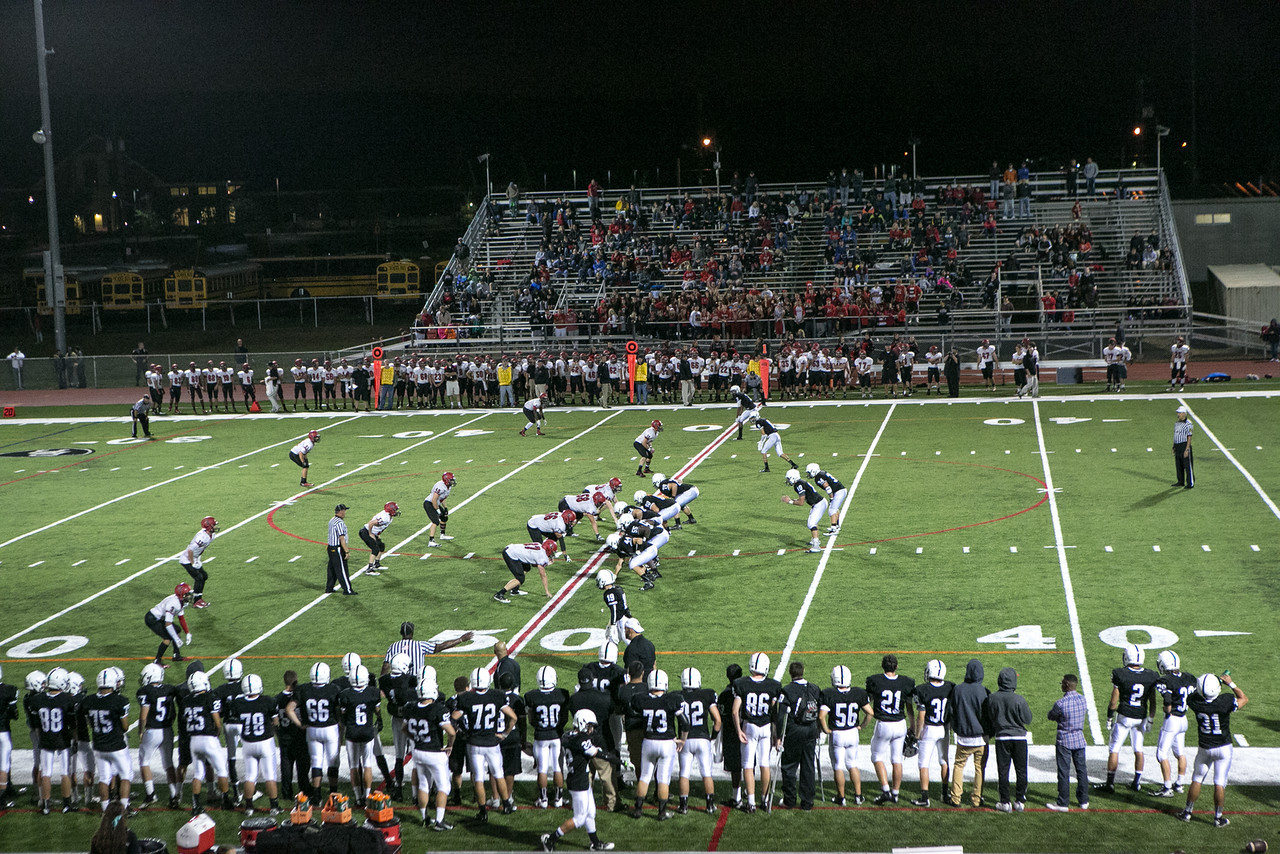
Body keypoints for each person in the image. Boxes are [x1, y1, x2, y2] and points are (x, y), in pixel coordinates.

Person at [539, 709, 617, 852]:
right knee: (580, 818)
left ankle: (595, 843)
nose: (591, 729)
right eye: (589, 726)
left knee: (591, 812)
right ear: (582, 724)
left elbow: (585, 746)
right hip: (578, 781)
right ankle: (550, 839)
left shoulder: (568, 736)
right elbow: (597, 753)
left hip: (579, 777)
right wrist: (616, 760)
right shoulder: (580, 739)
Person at [1179, 671, 1247, 827]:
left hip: (1205, 748)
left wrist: (1211, 686)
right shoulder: (1225, 701)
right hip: (1223, 747)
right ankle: (1217, 818)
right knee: (1219, 782)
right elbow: (1244, 698)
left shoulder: (1194, 702)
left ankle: (1187, 812)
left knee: (1197, 779)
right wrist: (1230, 683)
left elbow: (1197, 693)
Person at [452, 667, 518, 822]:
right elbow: (513, 717)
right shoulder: (497, 696)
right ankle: (507, 804)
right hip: (492, 743)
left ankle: (483, 812)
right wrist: (505, 734)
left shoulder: (466, 698)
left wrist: (464, 730)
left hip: (474, 743)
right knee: (498, 774)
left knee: (479, 778)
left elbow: (454, 718)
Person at [1096, 644, 1158, 793]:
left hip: (1124, 716)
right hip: (1141, 716)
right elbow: (1153, 701)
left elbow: (1113, 701)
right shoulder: (1151, 675)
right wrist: (1150, 719)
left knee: (1114, 749)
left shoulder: (1120, 673)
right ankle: (1137, 782)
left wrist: (1109, 717)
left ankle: (1110, 783)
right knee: (1138, 749)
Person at [400, 667, 456, 831]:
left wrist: (416, 738)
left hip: (418, 751)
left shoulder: (410, 707)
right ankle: (439, 821)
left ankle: (425, 818)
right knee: (443, 787)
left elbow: (404, 728)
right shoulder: (438, 709)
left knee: (423, 785)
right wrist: (450, 744)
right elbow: (451, 731)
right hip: (434, 752)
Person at [731, 652, 781, 813]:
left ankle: (751, 802)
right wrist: (776, 735)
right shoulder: (773, 685)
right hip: (766, 726)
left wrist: (738, 730)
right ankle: (765, 800)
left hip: (749, 726)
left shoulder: (741, 683)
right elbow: (775, 713)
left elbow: (734, 711)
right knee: (764, 764)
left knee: (747, 765)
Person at [285, 662, 342, 799]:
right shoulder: (333, 689)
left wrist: (300, 724)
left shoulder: (304, 689)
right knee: (333, 762)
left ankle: (316, 797)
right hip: (330, 729)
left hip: (312, 730)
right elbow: (340, 710)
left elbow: (289, 709)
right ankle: (333, 795)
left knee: (316, 762)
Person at [228, 672, 281, 816]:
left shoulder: (237, 703)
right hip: (265, 742)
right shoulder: (268, 701)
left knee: (250, 775)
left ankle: (249, 807)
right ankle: (274, 807)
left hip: (248, 743)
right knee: (270, 775)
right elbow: (275, 722)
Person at [80, 668, 133, 812]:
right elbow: (125, 727)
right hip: (116, 746)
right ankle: (123, 807)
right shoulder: (120, 701)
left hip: (98, 745)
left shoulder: (88, 701)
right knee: (125, 775)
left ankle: (105, 810)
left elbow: (89, 723)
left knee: (104, 778)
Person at [180, 670, 232, 815]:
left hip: (194, 740)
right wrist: (217, 733)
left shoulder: (186, 700)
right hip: (208, 739)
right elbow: (217, 723)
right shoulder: (210, 697)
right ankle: (225, 800)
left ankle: (195, 805)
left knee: (198, 773)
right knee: (221, 770)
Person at [982, 667, 1032, 812]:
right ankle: (1020, 800)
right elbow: (1028, 719)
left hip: (1002, 738)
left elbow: (990, 717)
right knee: (1021, 770)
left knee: (1003, 771)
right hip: (1019, 739)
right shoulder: (1019, 699)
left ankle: (1005, 802)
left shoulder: (992, 698)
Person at [819, 665, 870, 806]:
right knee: (852, 764)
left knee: (838, 766)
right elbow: (870, 713)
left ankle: (841, 797)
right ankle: (858, 796)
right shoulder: (858, 693)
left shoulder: (829, 694)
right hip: (853, 733)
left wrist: (826, 730)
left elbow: (821, 716)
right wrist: (862, 725)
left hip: (837, 734)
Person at [676, 667, 720, 814]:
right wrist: (712, 738)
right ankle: (710, 805)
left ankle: (683, 806)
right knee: (706, 772)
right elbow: (717, 721)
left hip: (685, 739)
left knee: (684, 773)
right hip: (702, 739)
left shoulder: (677, 696)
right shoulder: (707, 694)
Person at [778, 661, 821, 810]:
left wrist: (778, 736)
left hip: (794, 731)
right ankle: (807, 801)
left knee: (789, 765)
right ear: (803, 671)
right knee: (808, 765)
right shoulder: (815, 688)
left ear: (791, 673)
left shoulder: (788, 690)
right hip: (811, 730)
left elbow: (781, 715)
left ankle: (790, 799)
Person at [910, 660, 953, 807]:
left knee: (923, 763)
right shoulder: (950, 687)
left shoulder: (922, 689)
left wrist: (917, 734)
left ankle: (924, 797)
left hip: (929, 729)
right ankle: (945, 794)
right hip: (944, 728)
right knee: (944, 760)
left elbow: (921, 715)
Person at [1153, 650, 1197, 797]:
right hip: (1184, 719)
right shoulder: (1190, 678)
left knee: (1161, 754)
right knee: (1180, 753)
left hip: (1172, 720)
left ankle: (1167, 788)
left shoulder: (1165, 681)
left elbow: (1167, 700)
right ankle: (1179, 783)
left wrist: (1167, 709)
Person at [135, 663, 179, 808]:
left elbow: (143, 715)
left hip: (153, 730)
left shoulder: (145, 691)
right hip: (167, 730)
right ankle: (174, 796)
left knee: (144, 761)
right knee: (168, 764)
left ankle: (150, 794)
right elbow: (173, 712)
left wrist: (141, 730)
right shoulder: (169, 689)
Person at [1046, 673, 1090, 812]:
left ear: (1066, 685)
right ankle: (1084, 800)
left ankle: (1063, 802)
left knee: (1064, 772)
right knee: (1081, 771)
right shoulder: (1083, 699)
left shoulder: (1061, 703)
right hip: (1079, 739)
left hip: (1064, 740)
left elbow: (1051, 716)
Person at [948, 659, 988, 807]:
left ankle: (955, 798)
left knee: (959, 765)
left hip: (964, 737)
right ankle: (976, 799)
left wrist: (957, 728)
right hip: (980, 738)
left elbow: (952, 712)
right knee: (979, 768)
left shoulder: (958, 689)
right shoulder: (983, 691)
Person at [145, 584, 193, 667]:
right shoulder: (174, 604)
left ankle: (176, 655)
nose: (189, 596)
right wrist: (176, 639)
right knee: (167, 638)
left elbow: (181, 618)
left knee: (177, 630)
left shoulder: (180, 601)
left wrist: (187, 633)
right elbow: (168, 624)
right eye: (188, 594)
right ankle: (157, 661)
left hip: (159, 618)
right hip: (152, 619)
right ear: (182, 595)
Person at [783, 468, 828, 553]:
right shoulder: (801, 482)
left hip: (819, 504)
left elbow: (801, 502)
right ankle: (815, 540)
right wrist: (792, 500)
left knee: (811, 523)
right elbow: (802, 498)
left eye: (789, 478)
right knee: (812, 523)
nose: (788, 481)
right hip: (819, 503)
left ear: (793, 477)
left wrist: (789, 501)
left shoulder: (798, 485)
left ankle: (816, 545)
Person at [179, 515, 218, 609]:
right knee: (199, 577)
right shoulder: (202, 537)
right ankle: (196, 601)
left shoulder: (211, 535)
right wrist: (193, 563)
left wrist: (198, 559)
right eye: (214, 525)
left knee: (204, 576)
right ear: (209, 526)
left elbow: (201, 549)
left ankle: (198, 597)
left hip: (195, 557)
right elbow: (190, 551)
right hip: (187, 559)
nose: (215, 526)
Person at [359, 502, 399, 576]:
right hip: (366, 532)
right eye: (395, 509)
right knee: (375, 549)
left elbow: (377, 525)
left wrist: (377, 535)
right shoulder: (385, 518)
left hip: (372, 532)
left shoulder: (388, 516)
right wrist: (370, 534)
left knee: (381, 546)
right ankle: (370, 568)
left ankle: (377, 564)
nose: (396, 511)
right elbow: (371, 523)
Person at [326, 505, 356, 595]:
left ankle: (329, 588)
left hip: (331, 548)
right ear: (341, 511)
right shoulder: (339, 523)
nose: (345, 513)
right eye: (344, 510)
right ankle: (347, 589)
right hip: (338, 548)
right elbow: (341, 538)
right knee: (342, 570)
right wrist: (346, 551)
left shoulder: (332, 520)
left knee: (332, 569)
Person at [423, 470, 456, 548]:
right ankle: (431, 541)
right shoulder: (440, 486)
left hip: (436, 503)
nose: (452, 481)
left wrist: (445, 508)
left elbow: (443, 498)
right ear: (447, 480)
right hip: (429, 503)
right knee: (435, 521)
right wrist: (437, 510)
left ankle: (442, 535)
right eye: (451, 480)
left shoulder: (448, 487)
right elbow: (434, 499)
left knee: (444, 517)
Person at [1173, 405, 1194, 488]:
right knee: (1179, 465)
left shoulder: (1189, 424)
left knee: (1187, 465)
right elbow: (1175, 435)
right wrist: (1174, 446)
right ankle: (1180, 481)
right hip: (1178, 446)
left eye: (1179, 413)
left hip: (1184, 445)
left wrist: (1187, 449)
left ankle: (1190, 483)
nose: (1178, 415)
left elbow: (1189, 437)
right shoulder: (1177, 423)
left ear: (1184, 414)